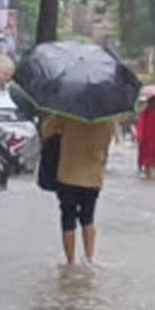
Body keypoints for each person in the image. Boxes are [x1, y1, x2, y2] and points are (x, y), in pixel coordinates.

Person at [41, 114, 115, 266]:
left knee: (68, 219)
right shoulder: (107, 119)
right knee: (88, 219)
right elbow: (106, 146)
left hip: (68, 174)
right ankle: (89, 259)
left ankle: (71, 263)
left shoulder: (67, 114)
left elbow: (46, 131)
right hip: (93, 176)